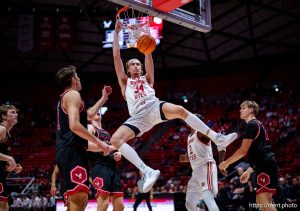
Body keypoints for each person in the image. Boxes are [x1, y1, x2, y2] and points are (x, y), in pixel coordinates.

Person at [111, 22, 238, 193]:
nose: (135, 65)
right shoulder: (125, 81)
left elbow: (148, 55)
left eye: (137, 64)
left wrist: (144, 38)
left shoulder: (148, 78)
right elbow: (116, 57)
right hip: (138, 117)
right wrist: (117, 33)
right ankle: (146, 171)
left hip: (154, 106)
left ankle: (217, 138)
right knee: (115, 140)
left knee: (180, 110)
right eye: (132, 64)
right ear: (127, 69)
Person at [55, 65, 111, 211]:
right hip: (72, 151)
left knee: (77, 200)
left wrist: (103, 98)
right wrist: (100, 143)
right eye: (78, 77)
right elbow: (75, 125)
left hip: (70, 151)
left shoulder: (67, 97)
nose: (79, 80)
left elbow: (88, 115)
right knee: (79, 200)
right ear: (73, 78)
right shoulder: (73, 94)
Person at [219, 100, 279, 211]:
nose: (240, 110)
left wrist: (226, 163)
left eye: (243, 108)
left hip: (265, 166)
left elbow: (243, 151)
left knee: (263, 200)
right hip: (265, 165)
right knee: (263, 201)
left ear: (251, 110)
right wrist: (248, 171)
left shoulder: (252, 125)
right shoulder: (257, 124)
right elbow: (260, 154)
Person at [179, 114, 226, 211]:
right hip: (195, 171)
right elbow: (195, 155)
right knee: (189, 203)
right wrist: (186, 158)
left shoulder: (201, 132)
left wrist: (221, 162)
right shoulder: (189, 137)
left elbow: (221, 141)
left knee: (208, 198)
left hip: (206, 166)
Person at [87, 109, 124, 211]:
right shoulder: (89, 127)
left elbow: (114, 148)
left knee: (120, 206)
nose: (97, 110)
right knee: (103, 204)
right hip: (100, 166)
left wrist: (118, 153)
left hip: (112, 167)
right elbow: (87, 145)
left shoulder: (106, 133)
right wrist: (111, 148)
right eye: (93, 110)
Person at [0, 104, 22, 211]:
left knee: (4, 205)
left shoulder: (7, 133)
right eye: (12, 113)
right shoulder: (1, 129)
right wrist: (10, 159)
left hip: (1, 174)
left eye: (16, 112)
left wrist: (12, 166)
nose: (16, 114)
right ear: (4, 116)